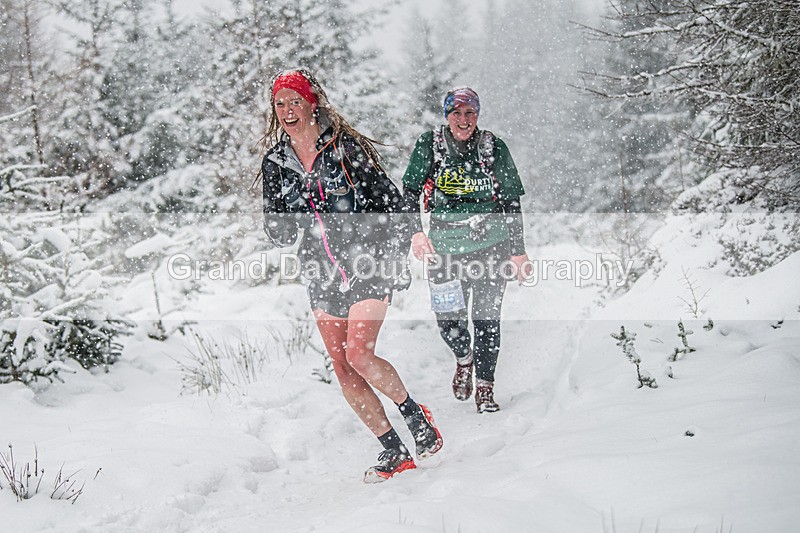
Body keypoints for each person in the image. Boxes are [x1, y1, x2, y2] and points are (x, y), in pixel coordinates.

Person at [259, 68, 443, 483]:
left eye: (295, 101)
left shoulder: (344, 149)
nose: (288, 110)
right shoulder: (276, 162)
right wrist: (288, 209)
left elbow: (388, 197)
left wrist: (411, 233)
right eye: (280, 104)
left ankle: (415, 415)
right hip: (320, 271)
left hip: (368, 262)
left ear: (312, 104)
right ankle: (394, 451)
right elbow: (277, 230)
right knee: (342, 366)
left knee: (360, 353)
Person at [402, 87, 530, 413]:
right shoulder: (429, 146)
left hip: (492, 246)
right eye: (456, 113)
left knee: (487, 322)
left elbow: (511, 200)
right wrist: (416, 233)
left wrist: (518, 251)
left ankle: (485, 388)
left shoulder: (493, 147)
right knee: (449, 322)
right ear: (447, 116)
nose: (463, 119)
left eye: (470, 113)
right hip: (444, 249)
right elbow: (409, 191)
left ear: (478, 115)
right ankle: (464, 358)